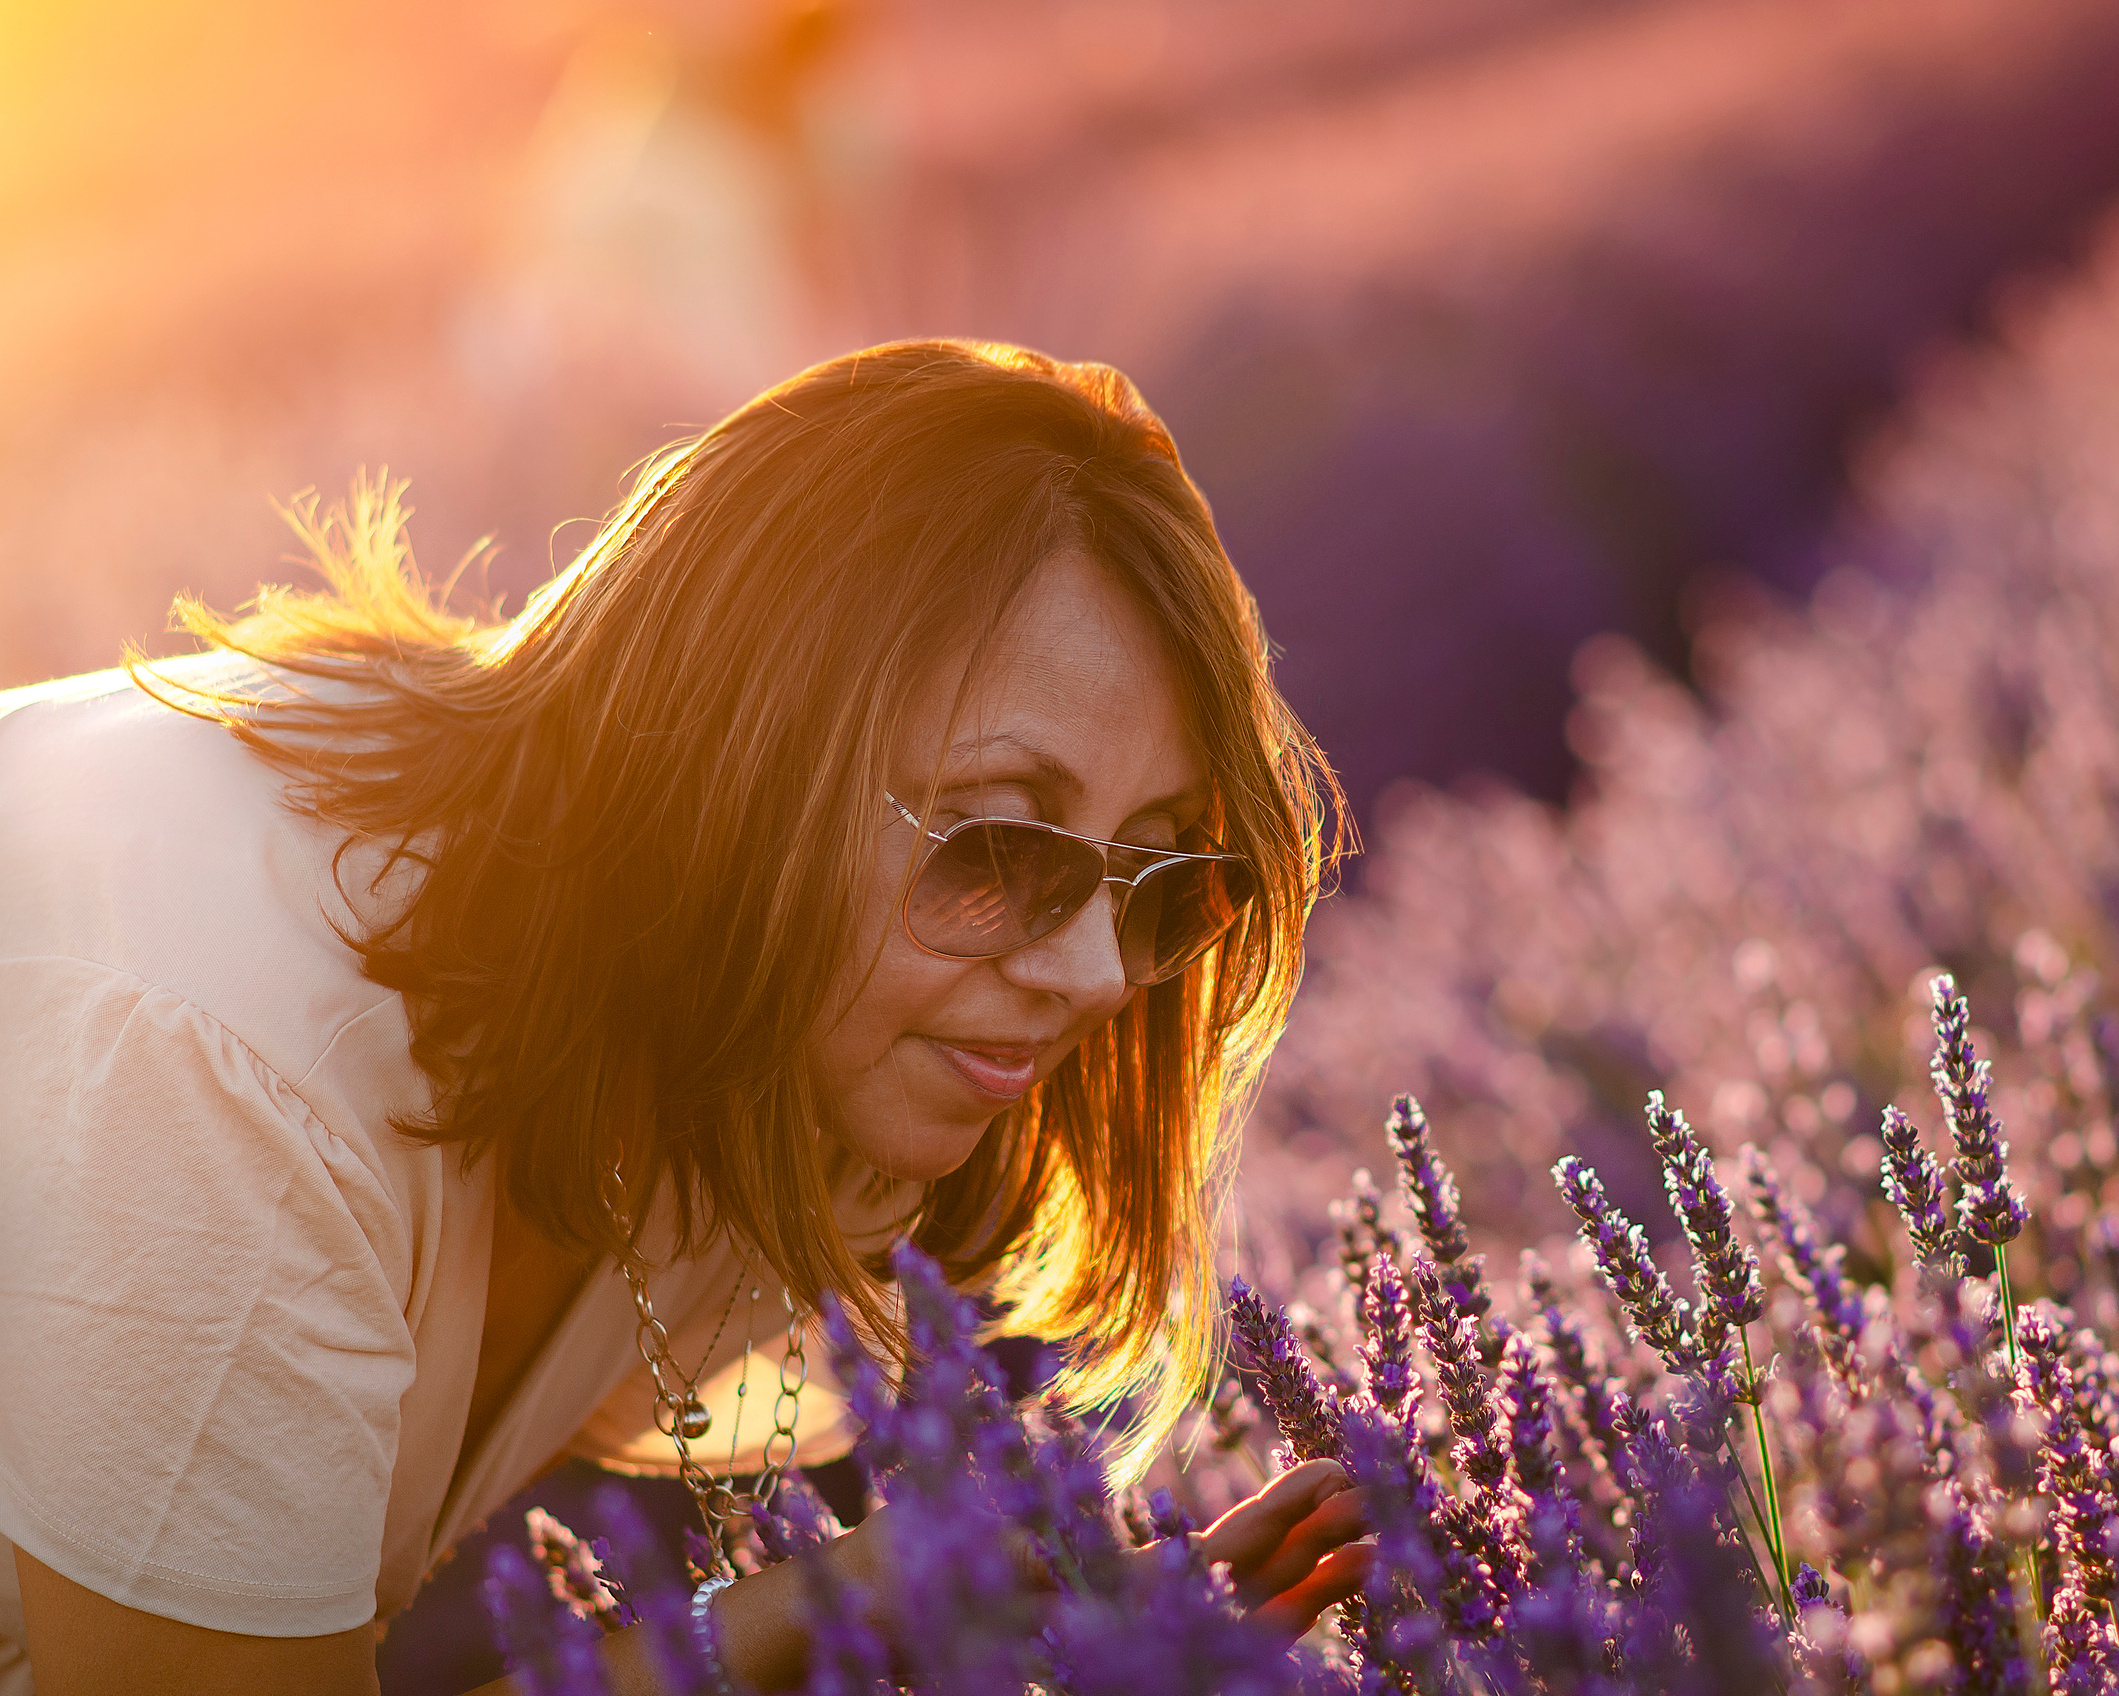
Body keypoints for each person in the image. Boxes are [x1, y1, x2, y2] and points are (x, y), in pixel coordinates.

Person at [0, 340, 1369, 1694]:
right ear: (740, 775)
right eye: (999, 847)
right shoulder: (230, 1063)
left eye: (1164, 878)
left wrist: (898, 1606)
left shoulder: (762, 1026)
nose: (1093, 974)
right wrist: (856, 1599)